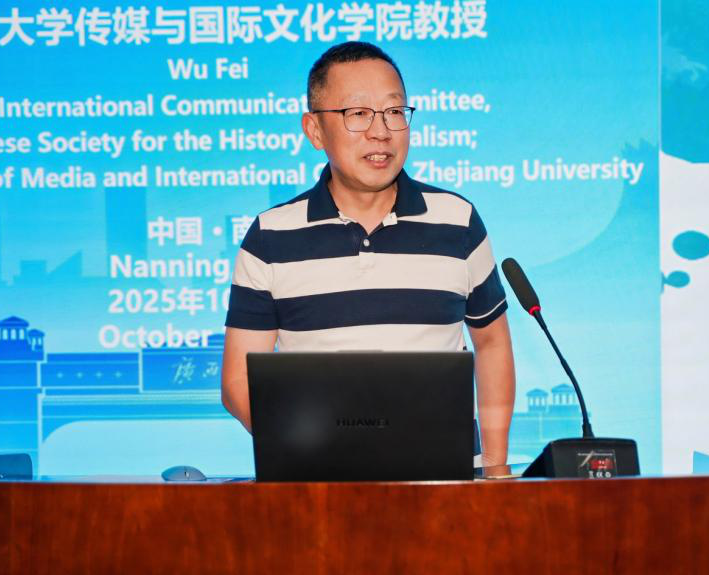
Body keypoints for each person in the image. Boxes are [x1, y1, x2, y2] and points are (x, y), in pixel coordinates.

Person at [221, 42, 515, 467]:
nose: (381, 131)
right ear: (315, 130)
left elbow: (491, 345)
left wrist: (495, 468)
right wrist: (303, 450)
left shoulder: (458, 221)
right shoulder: (270, 237)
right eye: (357, 113)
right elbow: (237, 380)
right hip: (321, 484)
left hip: (446, 483)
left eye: (394, 111)